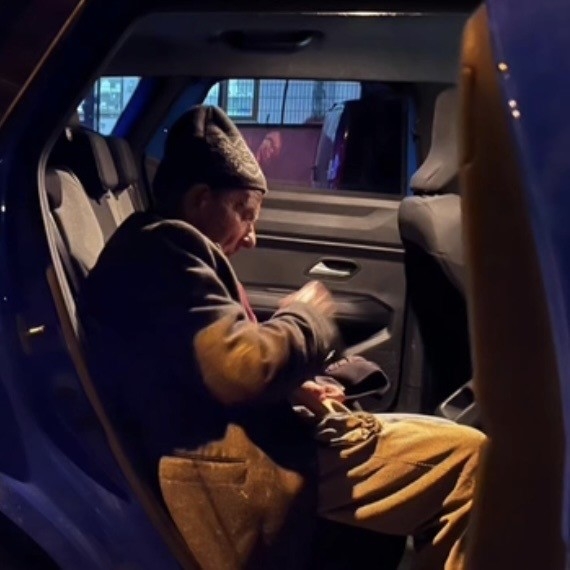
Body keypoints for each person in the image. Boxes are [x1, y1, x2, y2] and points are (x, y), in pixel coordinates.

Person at [79, 105, 485, 570]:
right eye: (244, 213)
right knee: (472, 462)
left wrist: (294, 385)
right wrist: (305, 315)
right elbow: (237, 369)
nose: (251, 237)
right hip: (234, 460)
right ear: (200, 200)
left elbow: (193, 357)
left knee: (457, 447)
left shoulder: (157, 248)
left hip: (249, 431)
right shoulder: (164, 249)